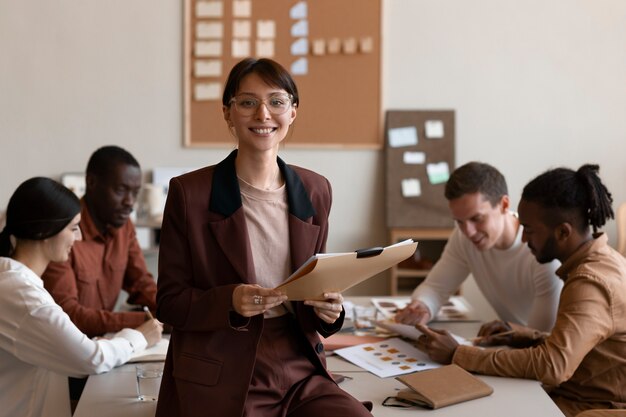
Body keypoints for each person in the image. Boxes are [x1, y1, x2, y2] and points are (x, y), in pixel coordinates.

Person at [155, 58, 373, 417]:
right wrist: (231, 300)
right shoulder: (189, 194)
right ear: (228, 113)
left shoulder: (315, 190)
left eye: (276, 101)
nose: (263, 114)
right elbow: (169, 303)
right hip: (224, 362)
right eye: (247, 102)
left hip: (299, 361)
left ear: (293, 112)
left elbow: (315, 285)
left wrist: (330, 312)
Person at [415, 164, 626, 417]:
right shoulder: (598, 261)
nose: (524, 239)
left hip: (589, 406)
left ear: (563, 232)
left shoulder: (590, 282)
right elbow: (580, 346)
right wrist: (525, 335)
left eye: (530, 230)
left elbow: (553, 365)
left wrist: (458, 354)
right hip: (572, 393)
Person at [0, 177, 162, 417]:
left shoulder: (14, 282)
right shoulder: (22, 296)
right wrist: (139, 336)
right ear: (45, 231)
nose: (77, 238)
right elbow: (91, 359)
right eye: (73, 228)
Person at [395, 161, 562, 335]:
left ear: (504, 205)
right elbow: (436, 287)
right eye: (459, 221)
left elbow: (537, 337)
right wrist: (422, 306)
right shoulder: (463, 238)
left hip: (536, 351)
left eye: (477, 218)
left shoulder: (543, 254)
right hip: (510, 343)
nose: (469, 232)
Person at [42, 145, 159, 338]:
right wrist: (146, 321)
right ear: (91, 182)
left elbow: (141, 283)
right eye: (121, 190)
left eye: (135, 193)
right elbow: (68, 316)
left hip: (104, 345)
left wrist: (173, 312)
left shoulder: (124, 226)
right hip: (66, 350)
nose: (130, 202)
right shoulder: (63, 232)